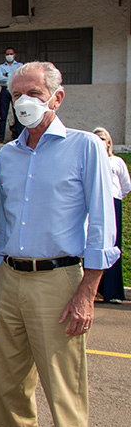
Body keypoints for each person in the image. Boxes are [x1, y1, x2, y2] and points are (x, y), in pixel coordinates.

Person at [0, 61, 118, 427]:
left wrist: (87, 291)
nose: (23, 102)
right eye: (17, 93)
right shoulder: (7, 154)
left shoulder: (84, 147)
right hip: (11, 281)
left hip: (59, 284)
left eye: (34, 94)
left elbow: (102, 224)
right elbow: (5, 226)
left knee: (64, 394)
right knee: (9, 390)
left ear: (56, 99)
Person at [93, 127, 130, 304]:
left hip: (113, 203)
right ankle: (94, 289)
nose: (99, 141)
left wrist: (113, 198)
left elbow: (126, 185)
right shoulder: (90, 161)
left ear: (108, 142)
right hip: (94, 204)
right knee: (93, 244)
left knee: (113, 245)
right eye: (96, 138)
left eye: (102, 138)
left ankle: (113, 292)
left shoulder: (117, 161)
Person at [0, 47, 23, 143]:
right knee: (3, 115)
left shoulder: (20, 65)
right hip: (4, 90)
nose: (9, 56)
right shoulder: (1, 67)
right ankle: (1, 137)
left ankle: (19, 137)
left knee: (18, 113)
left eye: (11, 54)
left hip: (16, 90)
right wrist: (13, 77)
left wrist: (7, 76)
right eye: (7, 54)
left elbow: (20, 78)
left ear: (14, 55)